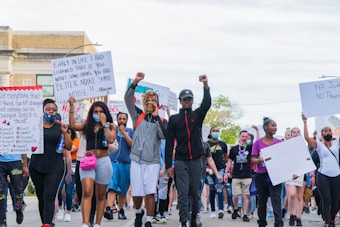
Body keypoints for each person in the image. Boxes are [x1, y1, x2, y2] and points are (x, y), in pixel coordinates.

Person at [165, 75, 211, 227]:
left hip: (197, 159)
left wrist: (205, 85)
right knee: (183, 192)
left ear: (192, 101)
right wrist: (168, 166)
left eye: (189, 99)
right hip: (180, 160)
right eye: (184, 99)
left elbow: (207, 104)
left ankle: (193, 218)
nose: (187, 101)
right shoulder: (174, 120)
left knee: (195, 192)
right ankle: (183, 220)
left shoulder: (197, 116)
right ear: (180, 101)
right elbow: (169, 143)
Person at [124, 72, 167, 227]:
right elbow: (127, 99)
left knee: (150, 191)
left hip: (153, 161)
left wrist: (156, 116)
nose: (150, 102)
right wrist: (135, 82)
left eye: (153, 100)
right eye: (148, 99)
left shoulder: (162, 120)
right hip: (136, 158)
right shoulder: (138, 115)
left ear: (157, 103)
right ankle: (138, 212)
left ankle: (149, 219)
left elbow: (164, 135)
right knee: (137, 191)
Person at [68, 97, 116, 227]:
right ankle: (85, 222)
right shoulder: (87, 125)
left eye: (101, 111)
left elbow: (111, 139)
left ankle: (97, 223)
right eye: (96, 111)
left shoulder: (111, 126)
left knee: (101, 195)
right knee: (87, 191)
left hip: (104, 161)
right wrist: (71, 107)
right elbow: (72, 126)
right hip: (88, 160)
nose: (98, 114)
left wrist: (104, 124)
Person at [29, 98, 73, 227]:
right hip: (36, 165)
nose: (51, 112)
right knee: (41, 196)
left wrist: (65, 134)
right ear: (42, 110)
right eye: (48, 109)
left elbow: (69, 147)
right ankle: (45, 221)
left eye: (54, 110)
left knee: (49, 195)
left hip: (55, 167)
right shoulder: (34, 125)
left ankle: (47, 224)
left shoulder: (61, 127)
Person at [302, 114, 340, 227]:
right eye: (325, 131)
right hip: (323, 175)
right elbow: (307, 138)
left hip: (337, 175)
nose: (328, 132)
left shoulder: (337, 143)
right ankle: (327, 221)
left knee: (336, 200)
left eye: (329, 130)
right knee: (326, 199)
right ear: (321, 134)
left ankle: (332, 220)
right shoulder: (319, 145)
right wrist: (305, 122)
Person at [251, 117, 283, 227]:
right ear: (265, 127)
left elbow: (284, 159)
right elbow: (253, 159)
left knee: (276, 199)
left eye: (276, 125)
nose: (275, 127)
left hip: (276, 174)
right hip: (261, 174)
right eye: (272, 125)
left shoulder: (279, 143)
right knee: (262, 199)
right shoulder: (258, 143)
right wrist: (259, 160)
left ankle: (279, 222)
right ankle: (262, 222)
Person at [104, 111, 133, 221]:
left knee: (123, 189)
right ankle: (109, 208)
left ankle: (121, 210)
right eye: (120, 118)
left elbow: (132, 144)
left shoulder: (130, 131)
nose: (122, 121)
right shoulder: (112, 129)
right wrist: (114, 130)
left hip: (126, 164)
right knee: (112, 185)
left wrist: (124, 133)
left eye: (124, 119)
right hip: (114, 162)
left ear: (126, 120)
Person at [226, 130, 253, 222]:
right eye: (243, 136)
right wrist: (226, 173)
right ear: (239, 137)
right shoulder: (234, 149)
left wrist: (257, 131)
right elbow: (229, 161)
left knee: (246, 196)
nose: (244, 138)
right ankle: (236, 209)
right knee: (235, 195)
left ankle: (245, 214)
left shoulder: (250, 148)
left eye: (246, 136)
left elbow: (257, 143)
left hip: (247, 175)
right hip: (236, 175)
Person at [56, 127, 80, 222]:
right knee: (59, 189)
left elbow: (71, 148)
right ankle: (61, 208)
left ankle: (68, 211)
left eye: (69, 132)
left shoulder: (76, 140)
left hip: (73, 164)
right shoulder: (59, 140)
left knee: (69, 190)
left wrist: (65, 144)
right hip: (61, 164)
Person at [285, 127, 306, 226]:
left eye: (298, 132)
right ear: (291, 134)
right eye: (294, 132)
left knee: (299, 196)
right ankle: (291, 214)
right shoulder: (286, 145)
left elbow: (306, 160)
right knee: (292, 194)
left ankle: (298, 217)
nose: (296, 133)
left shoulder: (303, 145)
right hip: (290, 173)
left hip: (301, 173)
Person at [0, 153, 28, 227]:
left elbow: (23, 147)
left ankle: (19, 209)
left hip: (15, 161)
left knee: (18, 190)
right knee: (1, 192)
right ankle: (2, 220)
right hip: (1, 163)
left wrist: (25, 165)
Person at [206, 127, 228, 219]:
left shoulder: (222, 144)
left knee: (219, 188)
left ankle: (221, 209)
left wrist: (227, 170)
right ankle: (213, 210)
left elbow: (226, 158)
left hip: (220, 169)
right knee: (212, 190)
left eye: (217, 131)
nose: (215, 133)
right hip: (209, 171)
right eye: (214, 131)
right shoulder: (206, 144)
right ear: (210, 132)